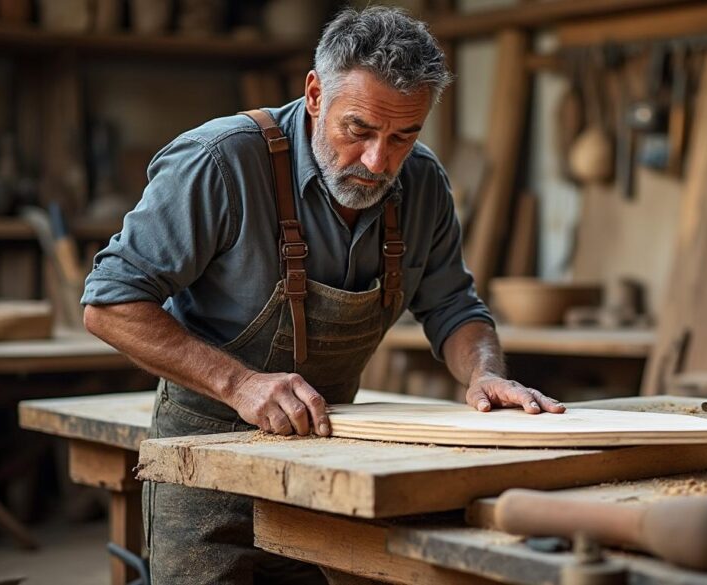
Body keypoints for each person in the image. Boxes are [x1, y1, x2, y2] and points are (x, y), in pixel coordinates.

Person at [81, 7, 564, 583]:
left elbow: (454, 307)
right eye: (358, 130)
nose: (378, 161)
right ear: (315, 94)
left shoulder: (423, 183)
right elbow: (110, 303)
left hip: (331, 459)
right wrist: (241, 384)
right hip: (208, 460)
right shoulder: (221, 162)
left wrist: (483, 372)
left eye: (403, 136)